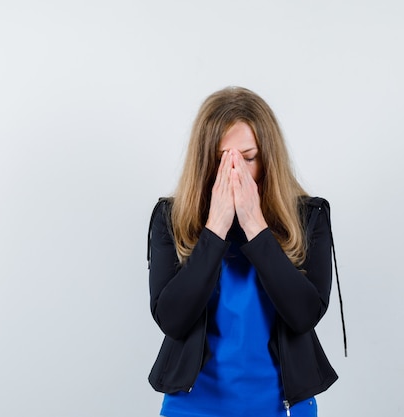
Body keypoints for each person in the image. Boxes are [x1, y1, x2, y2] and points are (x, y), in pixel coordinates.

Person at [147, 87, 342, 417]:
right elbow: (171, 320)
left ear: (268, 158)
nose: (235, 172)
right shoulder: (171, 217)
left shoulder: (310, 217)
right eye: (222, 160)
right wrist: (215, 230)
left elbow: (305, 316)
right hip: (192, 407)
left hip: (283, 407)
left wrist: (255, 226)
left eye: (248, 158)